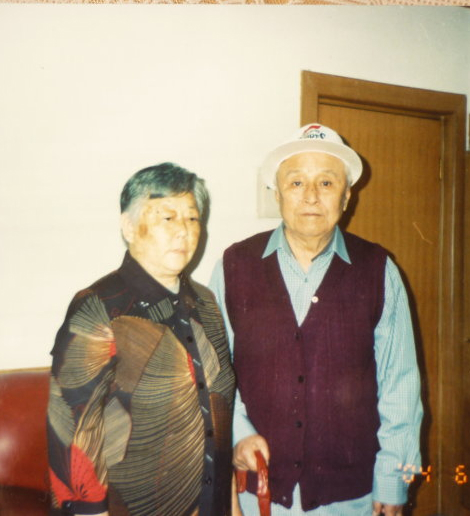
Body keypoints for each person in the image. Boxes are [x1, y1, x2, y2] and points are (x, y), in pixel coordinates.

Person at [210, 124, 423, 516]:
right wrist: (239, 435)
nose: (310, 196)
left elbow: (401, 384)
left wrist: (395, 478)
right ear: (277, 193)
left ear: (346, 195)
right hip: (257, 493)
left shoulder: (379, 270)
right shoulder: (233, 266)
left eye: (326, 183)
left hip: (352, 497)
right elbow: (216, 373)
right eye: (296, 183)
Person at [47, 163, 235, 516]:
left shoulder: (207, 303)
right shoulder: (98, 307)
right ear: (129, 227)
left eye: (192, 218)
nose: (183, 231)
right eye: (167, 218)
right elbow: (71, 430)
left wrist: (232, 503)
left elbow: (218, 417)